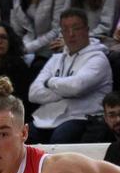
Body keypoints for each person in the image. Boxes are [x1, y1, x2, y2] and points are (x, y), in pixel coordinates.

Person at [28, 8, 111, 143]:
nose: (71, 34)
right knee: (22, 137)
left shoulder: (98, 58)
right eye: (65, 30)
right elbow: (33, 93)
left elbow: (77, 87)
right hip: (49, 117)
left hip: (83, 117)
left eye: (76, 28)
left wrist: (50, 82)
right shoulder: (56, 59)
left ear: (87, 30)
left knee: (61, 138)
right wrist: (66, 91)